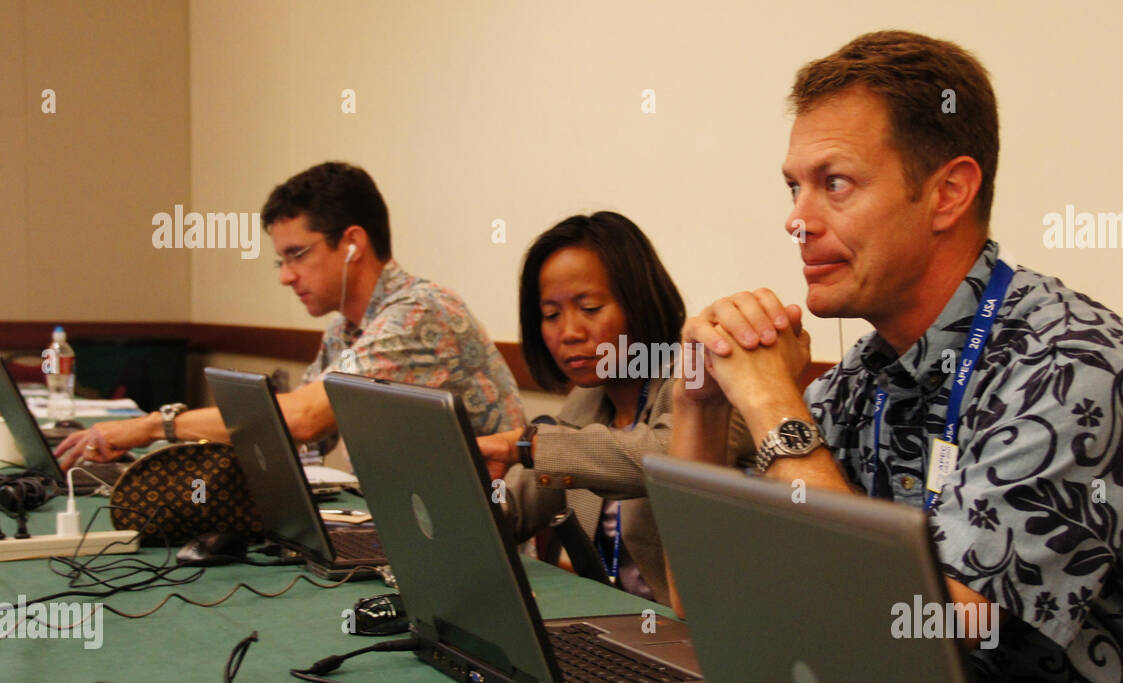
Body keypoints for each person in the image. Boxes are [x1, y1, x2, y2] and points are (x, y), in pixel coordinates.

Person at [669, 31, 1123, 683]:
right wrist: (700, 405)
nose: (796, 221)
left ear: (949, 193)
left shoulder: (1075, 369)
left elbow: (911, 630)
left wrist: (774, 403)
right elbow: (704, 609)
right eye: (793, 187)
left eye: (834, 183)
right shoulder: (866, 374)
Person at [56, 162, 525, 469]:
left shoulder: (420, 315)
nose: (286, 276)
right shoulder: (347, 329)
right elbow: (296, 440)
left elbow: (300, 421)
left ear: (353, 245)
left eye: (297, 254)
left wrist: (153, 426)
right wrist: (160, 455)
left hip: (484, 543)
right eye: (281, 260)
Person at [476, 212, 750, 606]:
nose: (569, 332)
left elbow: (663, 455)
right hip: (621, 627)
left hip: (703, 636)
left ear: (638, 303)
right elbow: (519, 504)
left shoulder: (704, 380)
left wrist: (525, 445)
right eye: (551, 315)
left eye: (589, 308)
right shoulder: (587, 400)